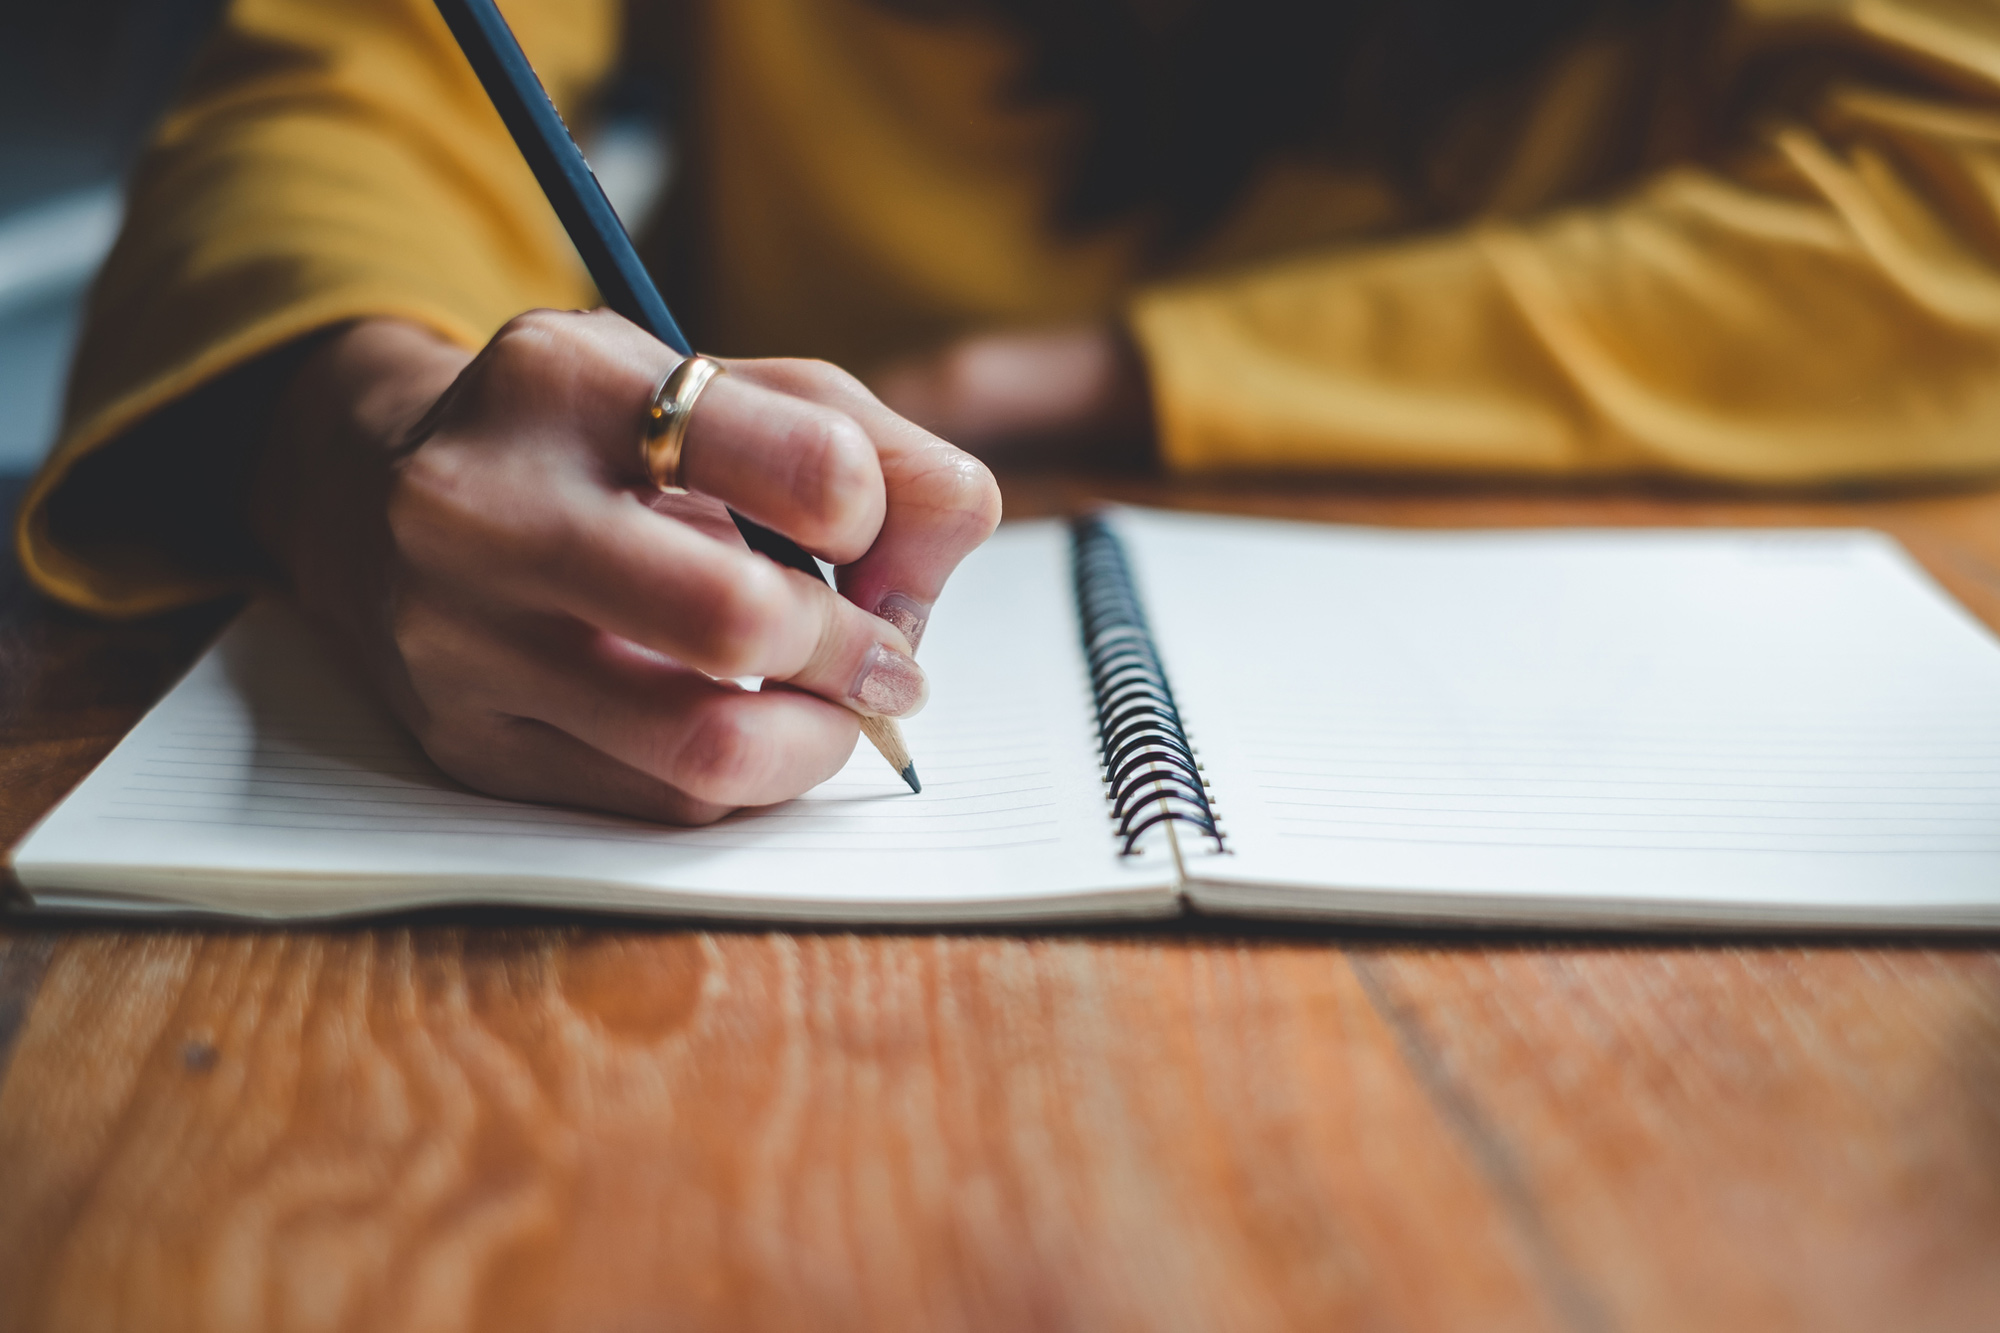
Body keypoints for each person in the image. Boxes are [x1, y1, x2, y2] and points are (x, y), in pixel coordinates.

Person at [17, 0, 2000, 823]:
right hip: (692, 628)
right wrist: (355, 427)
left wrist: (1061, 379)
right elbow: (350, 91)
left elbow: (1958, 196)